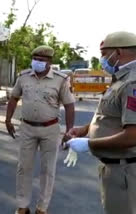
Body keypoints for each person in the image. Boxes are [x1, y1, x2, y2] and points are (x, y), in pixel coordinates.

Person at [66, 31, 136, 214]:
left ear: (118, 53)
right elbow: (112, 116)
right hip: (116, 169)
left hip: (126, 172)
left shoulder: (132, 82)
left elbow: (133, 135)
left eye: (105, 54)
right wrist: (85, 130)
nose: (102, 59)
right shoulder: (121, 80)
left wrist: (88, 144)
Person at [5, 45, 75, 214]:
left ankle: (42, 207)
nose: (37, 62)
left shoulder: (60, 80)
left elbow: (69, 105)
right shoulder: (23, 77)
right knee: (24, 167)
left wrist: (70, 131)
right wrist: (8, 119)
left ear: (49, 62)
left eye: (41, 60)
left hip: (50, 129)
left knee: (48, 170)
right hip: (27, 127)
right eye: (35, 59)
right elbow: (14, 98)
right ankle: (22, 205)